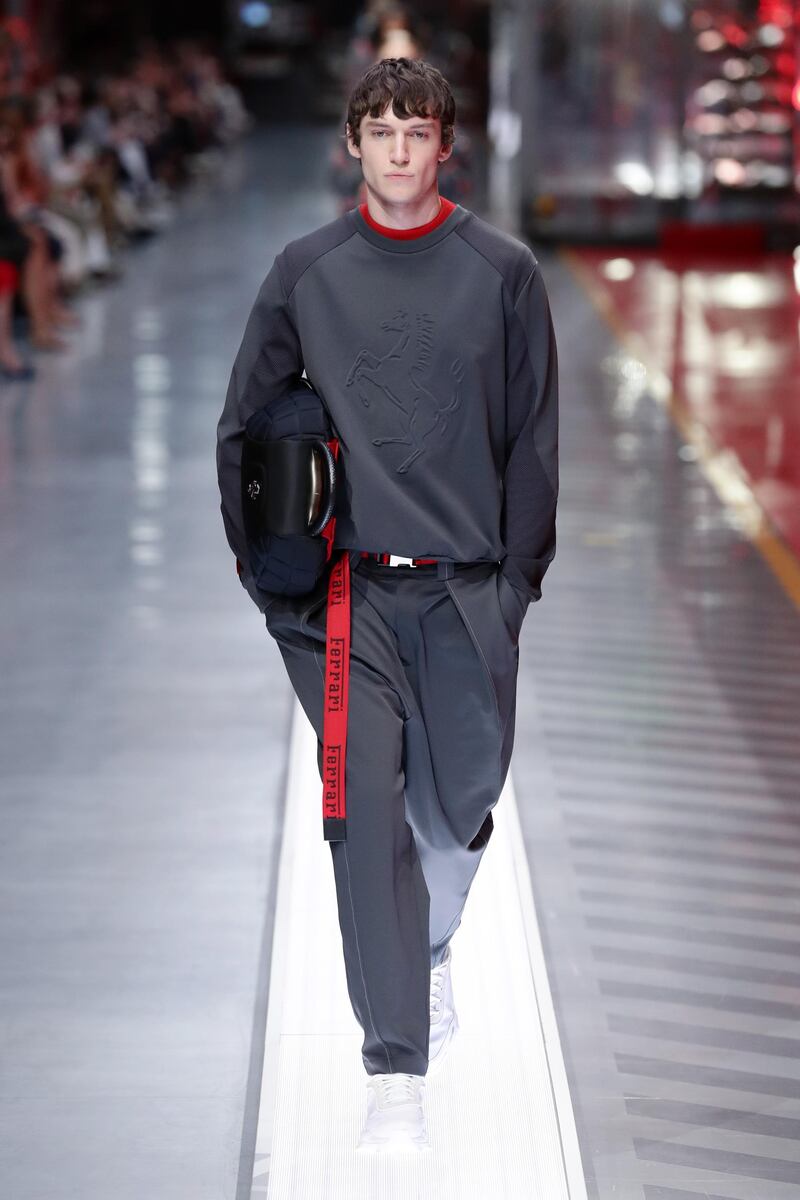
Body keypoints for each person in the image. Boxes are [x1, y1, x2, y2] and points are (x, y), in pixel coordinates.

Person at [216, 56, 558, 1152]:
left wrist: (512, 592)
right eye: (382, 133)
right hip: (349, 600)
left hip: (466, 595)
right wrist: (276, 593)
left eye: (419, 133)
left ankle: (434, 947)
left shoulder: (501, 273)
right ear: (352, 145)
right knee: (363, 822)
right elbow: (243, 433)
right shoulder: (304, 272)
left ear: (443, 147)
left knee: (457, 808)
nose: (400, 152)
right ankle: (394, 1068)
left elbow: (532, 444)